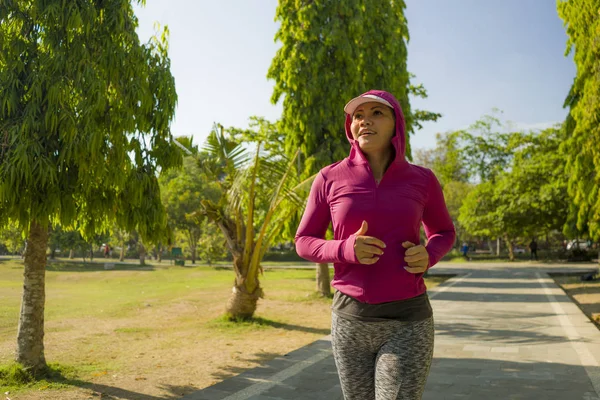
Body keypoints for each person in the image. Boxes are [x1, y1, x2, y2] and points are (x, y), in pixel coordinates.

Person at [295, 90, 455, 400]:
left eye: (377, 113)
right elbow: (304, 241)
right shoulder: (329, 178)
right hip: (349, 319)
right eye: (358, 116)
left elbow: (444, 231)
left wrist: (429, 254)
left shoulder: (422, 180)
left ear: (397, 124)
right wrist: (344, 249)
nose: (365, 120)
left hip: (407, 320)